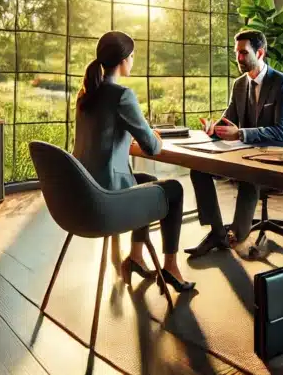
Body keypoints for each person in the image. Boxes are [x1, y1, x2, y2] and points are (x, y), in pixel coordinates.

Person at [73, 30, 195, 292]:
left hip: (82, 192)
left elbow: (100, 137)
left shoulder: (85, 95)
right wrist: (154, 135)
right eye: (133, 56)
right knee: (174, 189)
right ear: (124, 60)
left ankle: (136, 257)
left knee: (148, 182)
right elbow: (151, 147)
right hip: (107, 197)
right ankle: (171, 267)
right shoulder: (122, 95)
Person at [185, 29, 283, 259]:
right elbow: (229, 119)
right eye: (236, 52)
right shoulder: (239, 84)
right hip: (247, 151)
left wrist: (240, 134)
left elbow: (282, 131)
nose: (238, 58)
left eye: (243, 52)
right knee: (198, 169)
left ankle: (238, 236)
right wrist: (214, 129)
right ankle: (217, 232)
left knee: (249, 174)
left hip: (282, 152)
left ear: (259, 53)